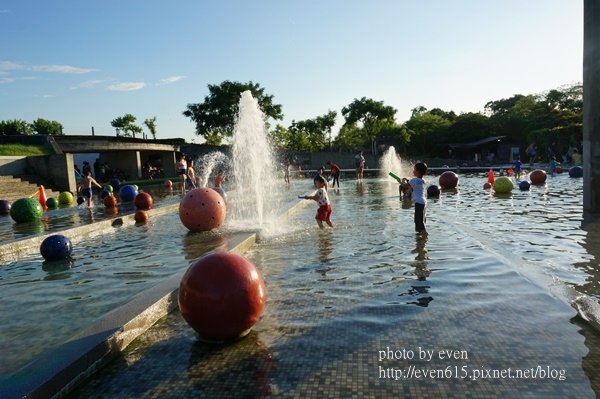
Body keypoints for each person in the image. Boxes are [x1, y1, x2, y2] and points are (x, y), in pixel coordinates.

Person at [404, 162, 428, 238]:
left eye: (414, 169)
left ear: (418, 171)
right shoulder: (423, 180)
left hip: (418, 202)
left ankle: (425, 234)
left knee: (418, 220)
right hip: (423, 202)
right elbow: (412, 188)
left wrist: (401, 182)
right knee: (421, 219)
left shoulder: (414, 180)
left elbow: (405, 185)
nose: (413, 171)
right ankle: (419, 233)